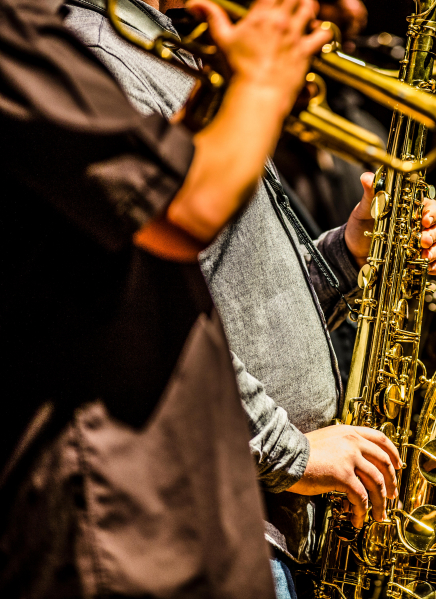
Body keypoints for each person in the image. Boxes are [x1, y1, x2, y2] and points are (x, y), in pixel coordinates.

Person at [62, 1, 436, 596]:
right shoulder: (105, 53)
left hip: (264, 526)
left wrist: (351, 252)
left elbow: (236, 291)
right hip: (222, 525)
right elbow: (151, 307)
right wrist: (287, 453)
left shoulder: (165, 49)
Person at [0, 0, 333, 596]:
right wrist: (262, 82)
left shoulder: (117, 43)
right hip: (116, 521)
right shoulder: (58, 41)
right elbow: (188, 211)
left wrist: (226, 86)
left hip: (181, 518)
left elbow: (197, 244)